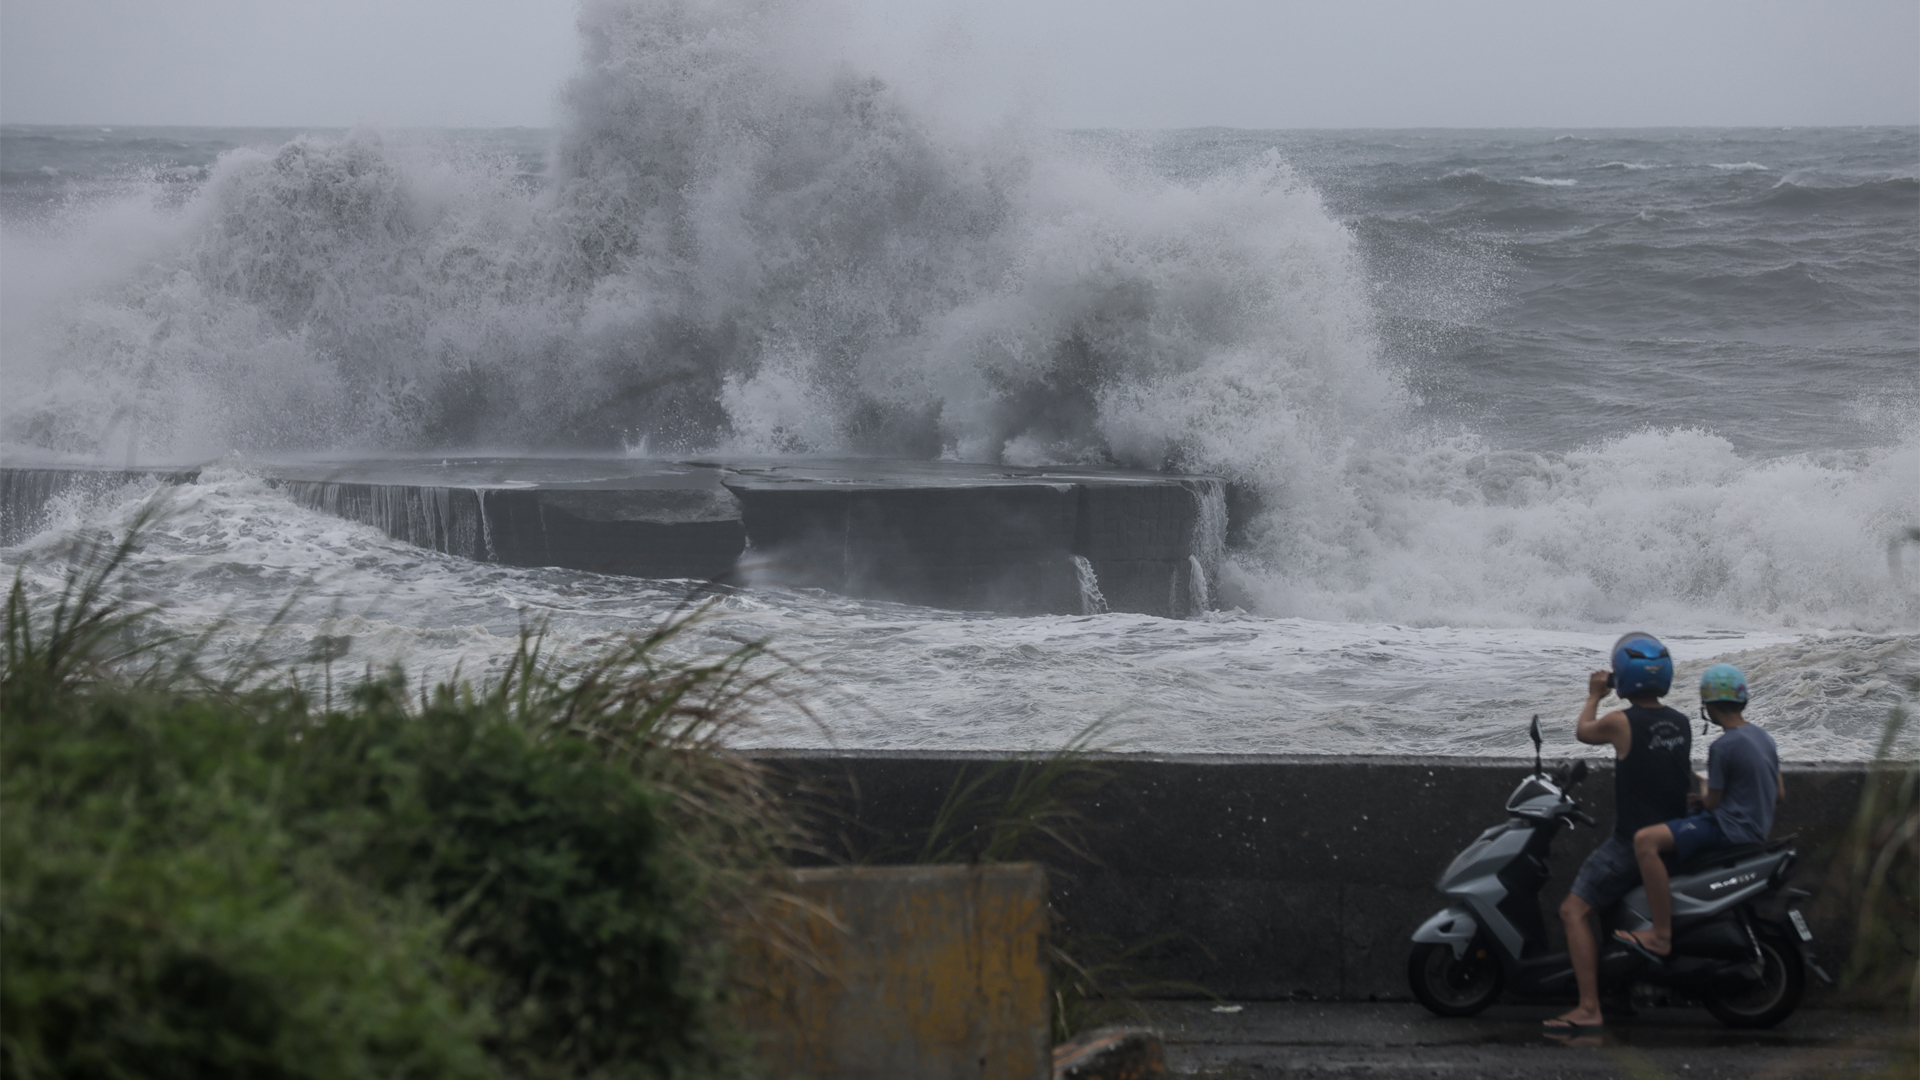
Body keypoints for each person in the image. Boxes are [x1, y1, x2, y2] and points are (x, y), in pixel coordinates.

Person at [1544, 632, 1692, 1033]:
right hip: (1673, 836)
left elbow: (1583, 732)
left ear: (1623, 677)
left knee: (1572, 911)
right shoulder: (1680, 722)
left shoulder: (1620, 722)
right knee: (1613, 912)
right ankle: (1617, 994)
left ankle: (1589, 1007)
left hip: (1632, 843)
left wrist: (1594, 694)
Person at [1614, 663, 1783, 959]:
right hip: (1756, 828)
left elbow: (1714, 804)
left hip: (1730, 830)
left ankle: (1660, 935)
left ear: (1708, 707)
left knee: (1645, 841)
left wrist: (1702, 797)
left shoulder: (1724, 746)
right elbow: (1778, 792)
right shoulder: (1764, 737)